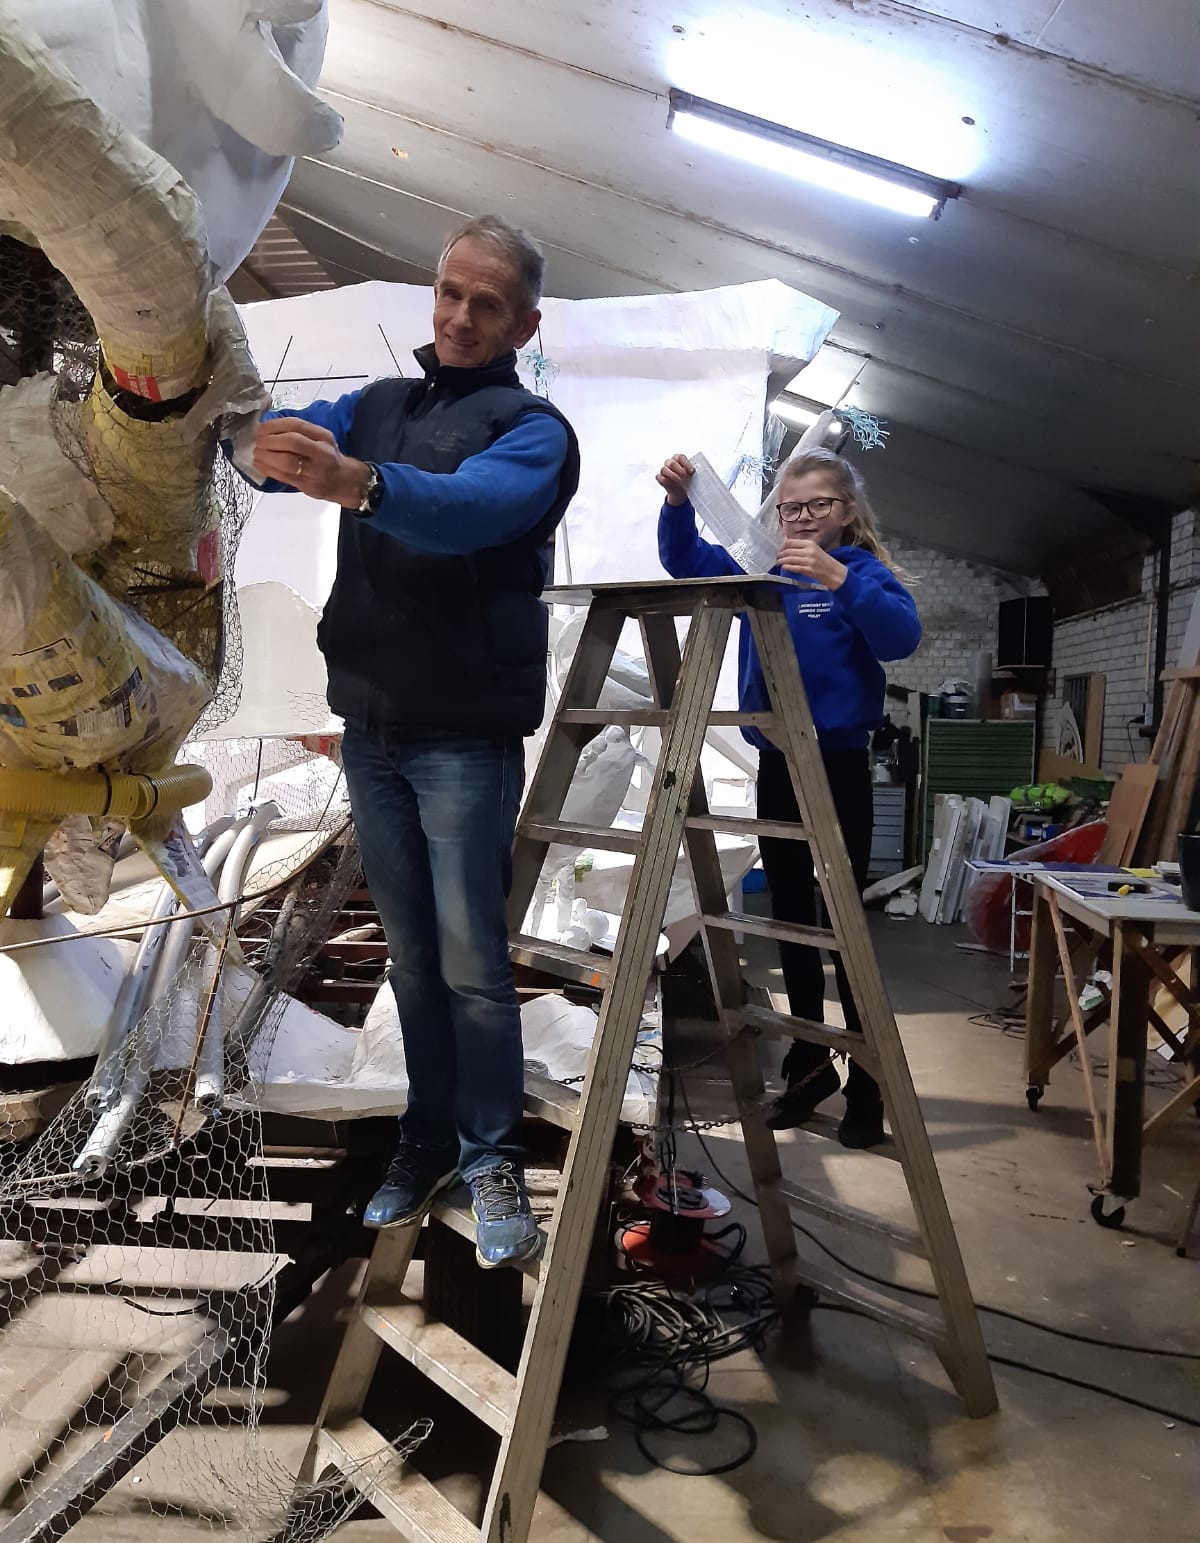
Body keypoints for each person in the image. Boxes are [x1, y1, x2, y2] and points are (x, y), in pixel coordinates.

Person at [238, 216, 580, 1265]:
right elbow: (287, 444)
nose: (461, 317)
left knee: (474, 964)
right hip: (373, 729)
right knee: (416, 960)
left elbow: (472, 509)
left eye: (488, 303)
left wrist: (364, 484)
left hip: (463, 736)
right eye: (449, 292)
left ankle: (491, 1157)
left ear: (523, 324)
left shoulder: (534, 429)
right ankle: (426, 1139)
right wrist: (256, 442)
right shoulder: (377, 406)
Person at [655, 446, 920, 1147]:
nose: (800, 518)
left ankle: (867, 1084)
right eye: (790, 507)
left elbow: (901, 637)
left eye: (817, 506)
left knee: (844, 926)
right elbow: (685, 561)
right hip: (778, 762)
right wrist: (678, 503)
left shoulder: (860, 571)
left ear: (847, 511)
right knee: (792, 920)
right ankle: (808, 1069)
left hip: (838, 764)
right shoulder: (760, 567)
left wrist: (839, 578)